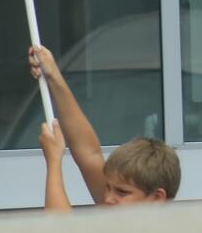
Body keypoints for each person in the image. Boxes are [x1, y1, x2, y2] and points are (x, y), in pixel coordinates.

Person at [30, 45, 179, 212]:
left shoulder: (141, 227)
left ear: (157, 197)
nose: (107, 198)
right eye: (107, 187)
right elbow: (89, 153)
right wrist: (53, 76)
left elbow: (60, 226)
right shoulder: (125, 208)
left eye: (122, 192)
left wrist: (54, 162)